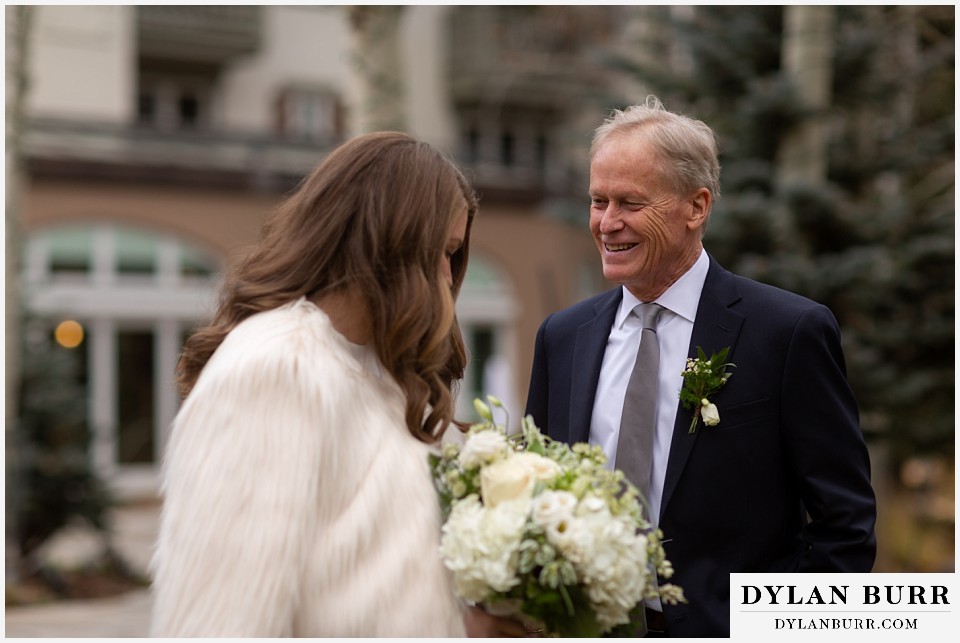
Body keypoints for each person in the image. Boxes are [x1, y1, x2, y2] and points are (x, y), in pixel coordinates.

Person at [524, 96, 877, 637]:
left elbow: (844, 526)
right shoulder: (562, 337)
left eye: (631, 203)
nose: (607, 223)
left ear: (697, 207)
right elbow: (539, 497)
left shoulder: (786, 332)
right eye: (598, 201)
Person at [150, 131, 525, 637]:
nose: (448, 275)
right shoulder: (277, 367)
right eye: (444, 250)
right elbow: (223, 620)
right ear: (390, 239)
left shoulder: (391, 376)